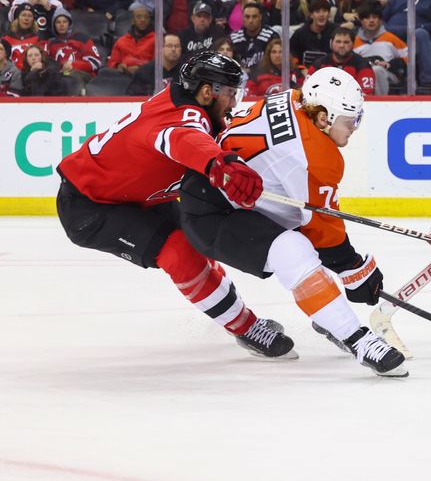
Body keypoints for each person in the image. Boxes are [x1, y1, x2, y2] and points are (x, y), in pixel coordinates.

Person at [56, 51, 295, 360]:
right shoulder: (184, 119)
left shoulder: (190, 104)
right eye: (231, 93)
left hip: (133, 197)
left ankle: (237, 317)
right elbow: (181, 138)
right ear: (207, 92)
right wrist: (219, 162)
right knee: (179, 252)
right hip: (89, 207)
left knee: (196, 241)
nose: (235, 102)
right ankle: (246, 328)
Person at [178, 66, 408, 377]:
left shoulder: (295, 99)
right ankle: (360, 341)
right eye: (350, 119)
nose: (355, 126)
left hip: (224, 191)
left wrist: (350, 269)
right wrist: (355, 269)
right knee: (294, 250)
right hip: (214, 213)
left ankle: (330, 316)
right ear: (324, 118)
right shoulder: (315, 156)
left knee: (303, 240)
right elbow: (323, 232)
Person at [354, 2, 406, 94]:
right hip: (362, 76)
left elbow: (409, 57)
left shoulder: (390, 38)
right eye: (367, 18)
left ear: (380, 20)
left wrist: (391, 64)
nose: (371, 21)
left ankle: (379, 103)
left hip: (389, 75)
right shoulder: (354, 41)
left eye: (374, 17)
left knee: (376, 70)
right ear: (361, 21)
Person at [46, 7, 102, 92]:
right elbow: (48, 64)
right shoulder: (51, 43)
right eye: (58, 22)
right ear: (54, 25)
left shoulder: (82, 38)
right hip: (60, 75)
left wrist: (74, 65)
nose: (61, 25)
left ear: (69, 24)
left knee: (68, 76)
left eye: (64, 22)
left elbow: (95, 62)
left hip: (82, 74)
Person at [308, 26, 375, 95]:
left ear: (353, 44)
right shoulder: (319, 64)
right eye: (338, 42)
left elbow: (366, 95)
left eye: (346, 42)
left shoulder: (363, 65)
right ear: (331, 43)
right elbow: (307, 90)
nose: (342, 45)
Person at [229, 2, 278, 73]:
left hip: (263, 76)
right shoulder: (234, 37)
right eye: (247, 17)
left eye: (254, 17)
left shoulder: (271, 36)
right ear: (243, 18)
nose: (251, 21)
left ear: (260, 17)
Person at [107, 2, 155, 75]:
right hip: (122, 76)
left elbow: (159, 64)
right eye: (139, 17)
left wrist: (140, 68)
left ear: (149, 21)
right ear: (133, 21)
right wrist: (118, 66)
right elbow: (112, 63)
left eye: (146, 17)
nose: (143, 20)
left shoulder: (157, 40)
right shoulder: (121, 41)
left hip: (146, 76)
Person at [289, 0, 335, 68]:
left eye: (325, 11)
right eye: (317, 12)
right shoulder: (300, 33)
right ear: (311, 15)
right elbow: (292, 54)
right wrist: (301, 69)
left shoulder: (336, 32)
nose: (321, 15)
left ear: (329, 14)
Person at [2, 3, 42, 69]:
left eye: (30, 16)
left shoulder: (38, 39)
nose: (26, 19)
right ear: (17, 18)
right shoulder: (5, 39)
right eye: (23, 15)